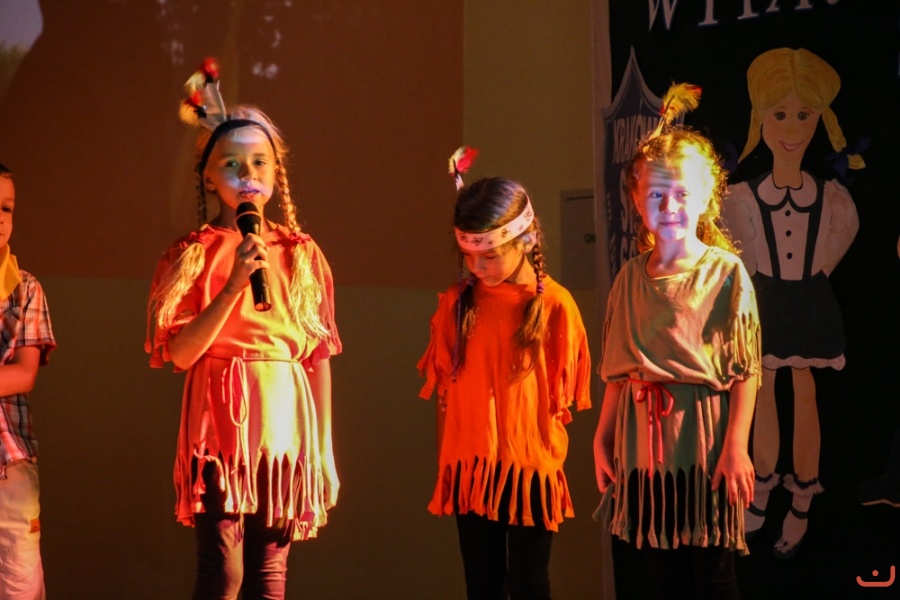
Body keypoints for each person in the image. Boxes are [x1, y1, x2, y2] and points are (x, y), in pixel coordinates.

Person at [145, 59, 341, 599]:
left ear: (276, 172)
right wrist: (233, 285)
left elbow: (317, 356)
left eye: (259, 162)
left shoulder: (301, 254)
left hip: (282, 423)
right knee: (223, 571)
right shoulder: (190, 255)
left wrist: (323, 451)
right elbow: (180, 353)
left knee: (269, 573)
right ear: (208, 176)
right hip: (219, 424)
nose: (248, 174)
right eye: (231, 163)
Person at [594, 103, 761, 598]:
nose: (669, 207)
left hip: (702, 448)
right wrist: (602, 437)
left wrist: (736, 446)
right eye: (657, 194)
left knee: (712, 576)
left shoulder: (725, 272)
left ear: (706, 196)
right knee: (658, 576)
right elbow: (618, 372)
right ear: (637, 198)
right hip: (642, 453)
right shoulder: (629, 278)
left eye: (682, 194)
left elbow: (746, 371)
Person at [417, 153, 592, 600]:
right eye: (469, 256)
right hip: (471, 468)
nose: (477, 267)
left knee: (530, 584)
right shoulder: (457, 302)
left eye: (489, 256)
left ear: (525, 240)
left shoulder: (555, 305)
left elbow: (560, 400)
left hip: (530, 469)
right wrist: (448, 462)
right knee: (482, 584)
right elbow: (445, 392)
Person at [722, 47, 860, 559]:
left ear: (821, 120)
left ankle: (801, 497)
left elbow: (832, 253)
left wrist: (806, 281)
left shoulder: (832, 199)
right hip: (765, 304)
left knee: (804, 391)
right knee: (762, 391)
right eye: (779, 114)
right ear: (760, 117)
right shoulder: (741, 199)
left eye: (804, 115)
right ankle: (760, 488)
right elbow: (746, 259)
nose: (792, 127)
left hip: (808, 302)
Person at [0, 162, 56, 600]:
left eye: (6, 208)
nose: (0, 218)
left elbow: (24, 373)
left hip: (10, 460)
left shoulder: (25, 288)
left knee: (19, 581)